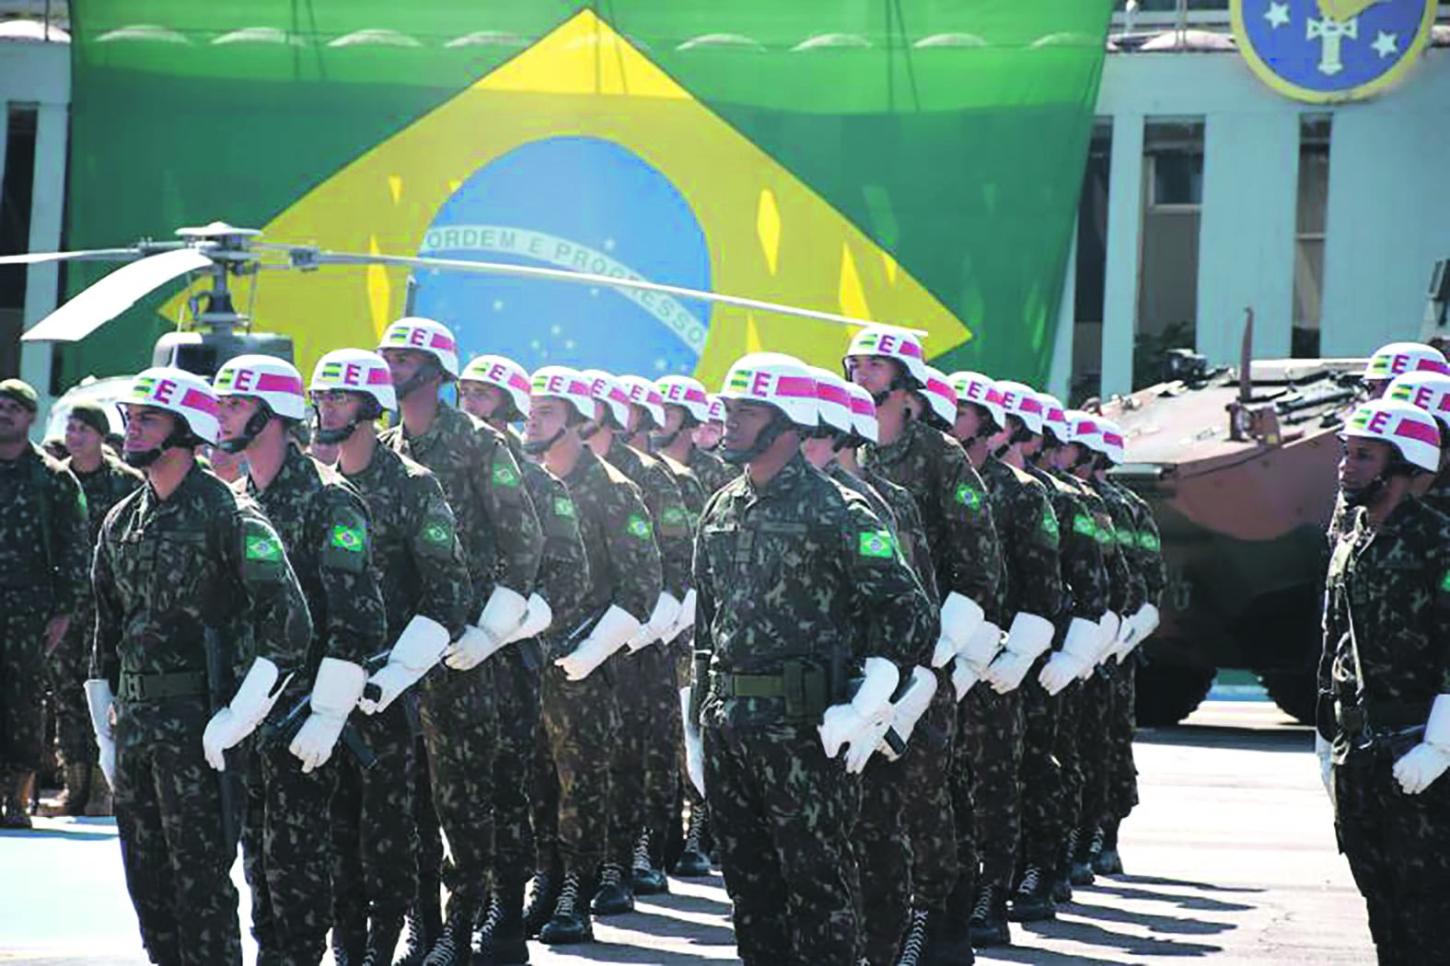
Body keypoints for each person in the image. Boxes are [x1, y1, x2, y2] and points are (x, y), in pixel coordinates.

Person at [693, 351, 933, 965]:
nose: (731, 421)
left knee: (819, 892)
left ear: (790, 421)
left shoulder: (840, 511)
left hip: (804, 734)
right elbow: (705, 628)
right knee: (750, 897)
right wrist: (695, 724)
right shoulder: (720, 508)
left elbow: (908, 612)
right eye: (729, 409)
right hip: (731, 730)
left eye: (748, 411)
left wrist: (867, 703)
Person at [86, 367, 312, 965]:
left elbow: (291, 625)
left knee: (202, 892)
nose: (132, 430)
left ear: (187, 431)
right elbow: (107, 633)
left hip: (198, 732)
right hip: (134, 730)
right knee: (149, 893)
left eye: (148, 419)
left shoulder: (228, 515)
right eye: (131, 418)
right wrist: (102, 731)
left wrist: (238, 716)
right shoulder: (121, 520)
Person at [377, 317, 544, 964]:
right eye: (387, 354)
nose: (391, 365)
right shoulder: (385, 445)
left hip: (465, 654)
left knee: (466, 799)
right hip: (400, 653)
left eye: (405, 356)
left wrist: (489, 630)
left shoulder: (478, 445)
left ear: (436, 369)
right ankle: (423, 923)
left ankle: (462, 925)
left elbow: (524, 542)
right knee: (409, 799)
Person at [213, 354, 389, 966]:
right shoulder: (230, 502)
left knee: (299, 858)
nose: (221, 414)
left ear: (273, 415)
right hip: (246, 712)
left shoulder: (330, 501)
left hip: (303, 717)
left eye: (235, 404)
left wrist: (327, 714)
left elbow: (358, 619)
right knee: (257, 858)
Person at [308, 348, 473, 965]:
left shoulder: (412, 486)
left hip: (391, 694)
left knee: (394, 835)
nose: (327, 407)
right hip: (323, 692)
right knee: (333, 835)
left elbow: (449, 592)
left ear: (370, 408)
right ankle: (347, 947)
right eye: (321, 397)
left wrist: (396, 674)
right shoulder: (315, 487)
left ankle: (400, 941)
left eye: (340, 397)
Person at [847, 325, 1001, 960]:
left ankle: (936, 920)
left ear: (908, 387)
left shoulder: (939, 457)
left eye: (876, 367)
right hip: (862, 652)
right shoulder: (848, 450)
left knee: (922, 793)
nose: (862, 376)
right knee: (864, 798)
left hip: (925, 654)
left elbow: (978, 564)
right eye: (855, 364)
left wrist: (935, 658)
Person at [457, 352, 592, 961]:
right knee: (439, 800)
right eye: (467, 393)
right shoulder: (442, 472)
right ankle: (448, 919)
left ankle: (503, 914)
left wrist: (499, 632)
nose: (471, 405)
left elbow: (568, 578)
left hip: (508, 666)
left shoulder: (540, 485)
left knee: (506, 793)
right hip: (437, 663)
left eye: (484, 396)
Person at [524, 365, 663, 946]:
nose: (533, 422)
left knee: (583, 784)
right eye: (531, 412)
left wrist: (591, 649)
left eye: (547, 413)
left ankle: (576, 895)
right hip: (527, 662)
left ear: (579, 422)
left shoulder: (613, 489)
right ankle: (544, 881)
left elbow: (643, 584)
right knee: (535, 783)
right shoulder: (523, 483)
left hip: (588, 667)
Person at [1319, 398, 1450, 964]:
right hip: (1361, 751)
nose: (1347, 466)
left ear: (1405, 467)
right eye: (1346, 453)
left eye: (1364, 456)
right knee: (1381, 901)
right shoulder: (1349, 538)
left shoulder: (1438, 542)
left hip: (1421, 748)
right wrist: (1327, 736)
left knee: (1428, 908)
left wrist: (1440, 743)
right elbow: (1333, 644)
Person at [946, 371, 1067, 947]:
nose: (951, 415)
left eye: (963, 409)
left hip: (993, 665)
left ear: (993, 426)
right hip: (939, 659)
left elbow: (1045, 587)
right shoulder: (931, 482)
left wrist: (1013, 655)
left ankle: (992, 897)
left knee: (992, 784)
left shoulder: (1021, 492)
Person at [577, 369, 688, 914]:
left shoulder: (648, 478)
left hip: (641, 644)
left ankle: (629, 857)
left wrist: (636, 634)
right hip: (576, 646)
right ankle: (577, 867)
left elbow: (677, 571)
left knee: (639, 754)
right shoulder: (554, 473)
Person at [45, 401, 140, 817]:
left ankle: (105, 789)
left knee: (107, 694)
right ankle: (74, 786)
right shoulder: (56, 480)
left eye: (84, 428)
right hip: (67, 607)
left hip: (111, 608)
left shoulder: (126, 482)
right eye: (71, 428)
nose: (74, 436)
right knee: (67, 695)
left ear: (101, 434)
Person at [0, 378, 88, 829]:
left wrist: (65, 611)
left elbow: (75, 548)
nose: (4, 412)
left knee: (23, 704)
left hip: (27, 611)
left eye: (14, 407)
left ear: (31, 417)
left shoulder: (51, 479)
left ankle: (15, 799)